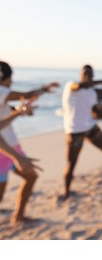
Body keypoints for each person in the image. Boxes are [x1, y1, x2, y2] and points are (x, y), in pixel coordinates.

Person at [0, 60, 57, 224]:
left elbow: (6, 115)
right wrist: (45, 89)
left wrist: (20, 112)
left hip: (8, 145)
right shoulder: (2, 90)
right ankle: (19, 216)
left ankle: (19, 216)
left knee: (12, 183)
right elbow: (29, 94)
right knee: (29, 177)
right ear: (6, 77)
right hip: (7, 147)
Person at [61, 64, 102, 200]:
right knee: (71, 164)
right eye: (85, 73)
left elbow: (95, 112)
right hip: (74, 131)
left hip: (91, 127)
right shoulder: (71, 86)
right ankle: (66, 192)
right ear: (81, 74)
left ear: (92, 76)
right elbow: (79, 86)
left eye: (90, 73)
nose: (87, 75)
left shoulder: (91, 93)